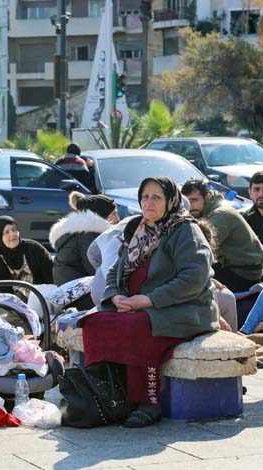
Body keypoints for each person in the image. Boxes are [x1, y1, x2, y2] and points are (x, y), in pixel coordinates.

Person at [83, 177, 219, 427]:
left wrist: (149, 300)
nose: (149, 202)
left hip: (181, 309)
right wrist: (115, 295)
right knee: (93, 323)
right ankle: (108, 396)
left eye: (157, 197)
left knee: (138, 329)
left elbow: (193, 278)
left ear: (171, 201)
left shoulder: (186, 230)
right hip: (137, 306)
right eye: (145, 197)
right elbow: (115, 270)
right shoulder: (140, 229)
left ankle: (148, 401)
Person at [181, 179, 263, 292]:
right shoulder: (210, 211)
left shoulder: (220, 214)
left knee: (188, 280)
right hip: (233, 267)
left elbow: (198, 249)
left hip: (243, 275)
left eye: (194, 200)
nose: (190, 206)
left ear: (208, 196)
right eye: (187, 201)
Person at [49, 191, 118, 286]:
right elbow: (98, 271)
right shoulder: (88, 236)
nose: (118, 219)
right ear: (101, 215)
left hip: (69, 287)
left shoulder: (79, 234)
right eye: (114, 214)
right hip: (77, 290)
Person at [0, 216, 54, 301]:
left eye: (14, 230)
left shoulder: (34, 248)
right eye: (6, 232)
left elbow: (51, 275)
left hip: (42, 300)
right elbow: (0, 293)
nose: (12, 234)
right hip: (13, 305)